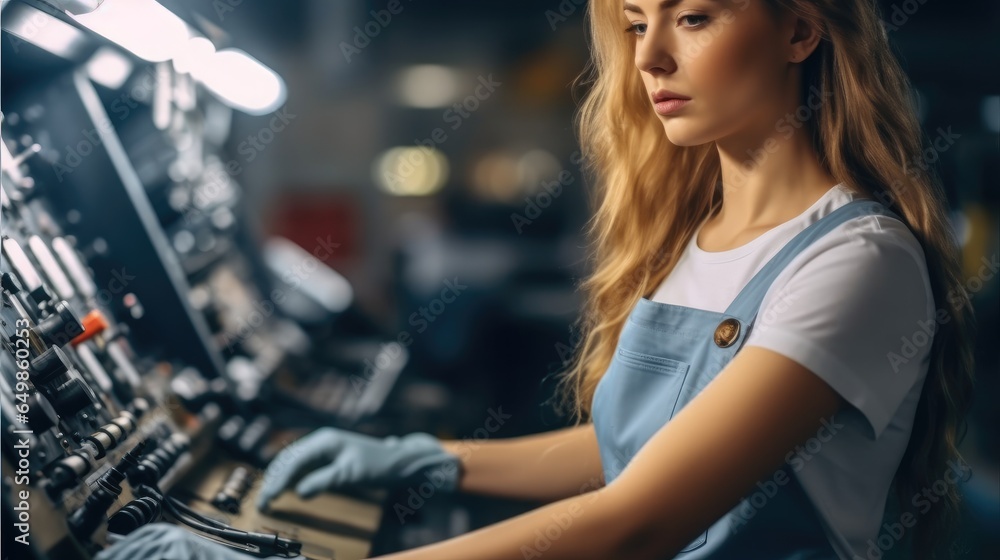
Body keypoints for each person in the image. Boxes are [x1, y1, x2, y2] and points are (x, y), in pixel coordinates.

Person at [96, 0, 976, 559]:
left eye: (694, 18)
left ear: (799, 28)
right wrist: (431, 459)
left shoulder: (856, 259)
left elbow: (643, 519)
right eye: (637, 22)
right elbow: (637, 451)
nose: (651, 59)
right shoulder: (698, 236)